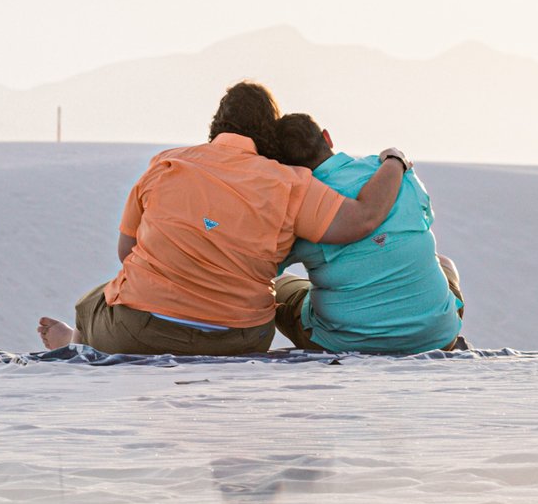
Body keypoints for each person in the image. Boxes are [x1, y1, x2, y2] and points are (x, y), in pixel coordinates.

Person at [35, 82, 410, 356]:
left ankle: (76, 344)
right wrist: (395, 161)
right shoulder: (291, 183)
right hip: (240, 340)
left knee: (92, 301)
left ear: (215, 126)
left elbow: (126, 251)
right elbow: (363, 218)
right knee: (283, 286)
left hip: (141, 332)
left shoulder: (167, 163)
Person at [268, 112, 465, 354]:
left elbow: (268, 265)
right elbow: (426, 218)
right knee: (443, 263)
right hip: (437, 337)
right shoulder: (395, 173)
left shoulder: (296, 204)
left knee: (279, 285)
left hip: (342, 342)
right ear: (327, 138)